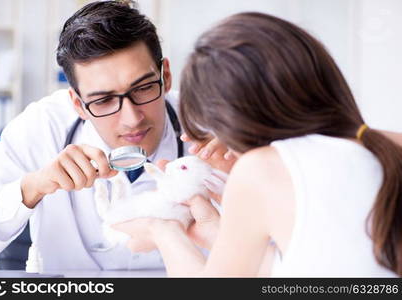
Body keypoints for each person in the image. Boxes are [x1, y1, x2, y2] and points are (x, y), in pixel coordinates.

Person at [113, 12, 402, 277]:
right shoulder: (389, 144)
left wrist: (164, 232)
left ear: (237, 122)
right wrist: (216, 228)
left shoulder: (261, 169)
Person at [0, 1, 234, 271]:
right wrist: (32, 187)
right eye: (103, 100)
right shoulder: (42, 127)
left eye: (143, 88)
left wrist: (239, 178)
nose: (132, 119)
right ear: (78, 104)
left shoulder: (214, 124)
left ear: (166, 75)